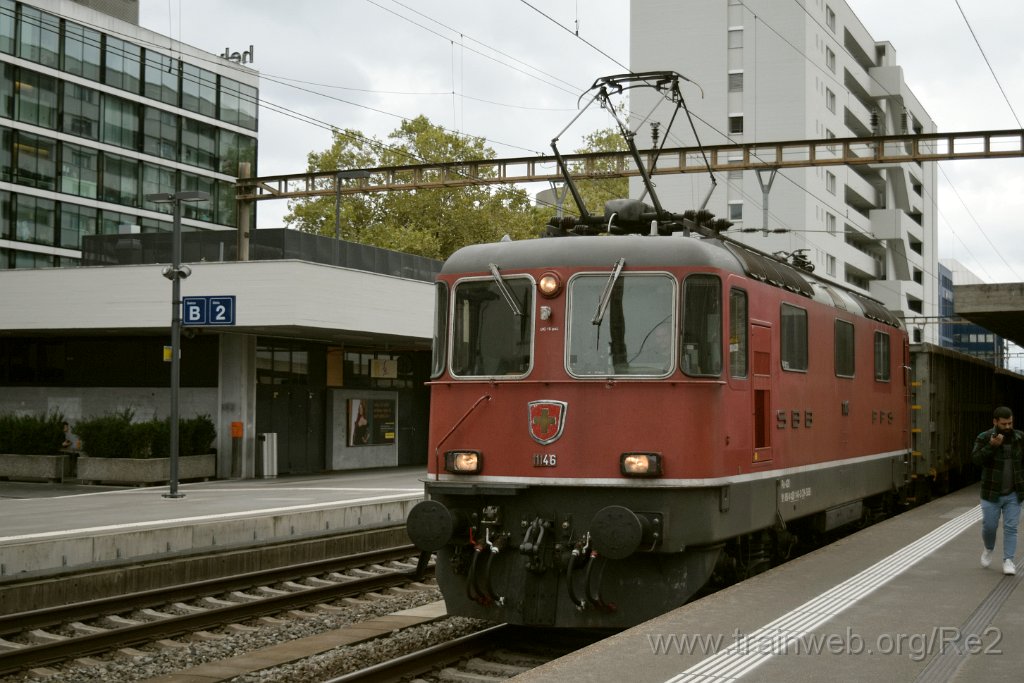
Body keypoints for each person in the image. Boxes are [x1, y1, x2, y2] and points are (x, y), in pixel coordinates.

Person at [971, 406, 1024, 575]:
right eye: (1004, 424)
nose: (1008, 427)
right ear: (995, 422)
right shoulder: (985, 437)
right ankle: (988, 548)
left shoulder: (1019, 437)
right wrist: (992, 447)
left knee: (1011, 527)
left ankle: (1008, 560)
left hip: (1014, 494)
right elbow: (976, 460)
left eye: (1010, 423)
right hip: (991, 493)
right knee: (989, 526)